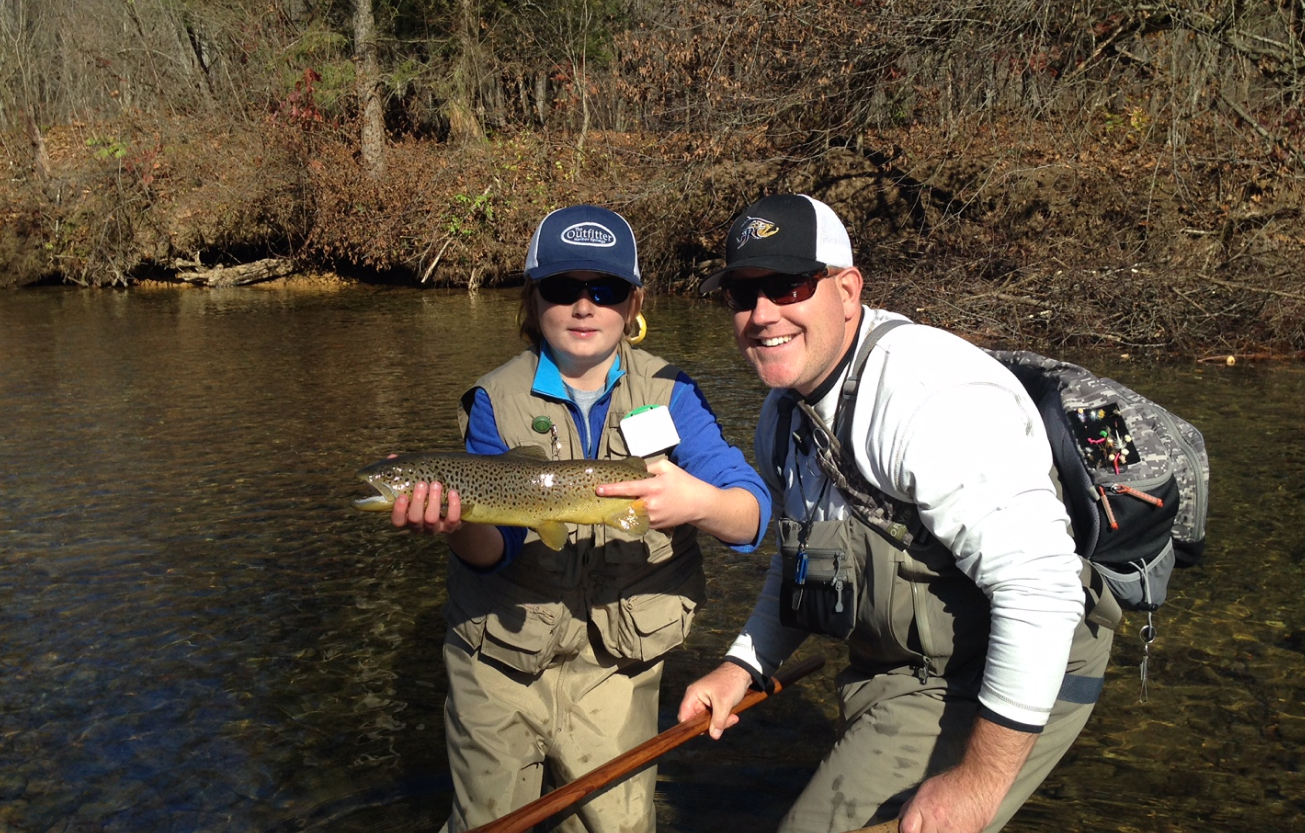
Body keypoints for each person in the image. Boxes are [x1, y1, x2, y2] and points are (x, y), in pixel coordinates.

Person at [678, 194, 1118, 833]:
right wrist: (743, 665)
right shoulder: (782, 416)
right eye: (743, 295)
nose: (762, 314)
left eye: (789, 284)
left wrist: (975, 785)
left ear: (848, 290)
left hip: (1018, 663)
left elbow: (1042, 592)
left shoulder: (924, 396)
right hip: (909, 671)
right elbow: (801, 561)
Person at [391, 204, 771, 833]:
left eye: (607, 289)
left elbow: (750, 515)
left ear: (634, 301)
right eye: (564, 289)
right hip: (499, 660)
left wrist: (696, 502)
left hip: (619, 669)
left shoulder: (672, 392)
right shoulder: (494, 399)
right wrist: (458, 527)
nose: (585, 306)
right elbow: (498, 552)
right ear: (532, 301)